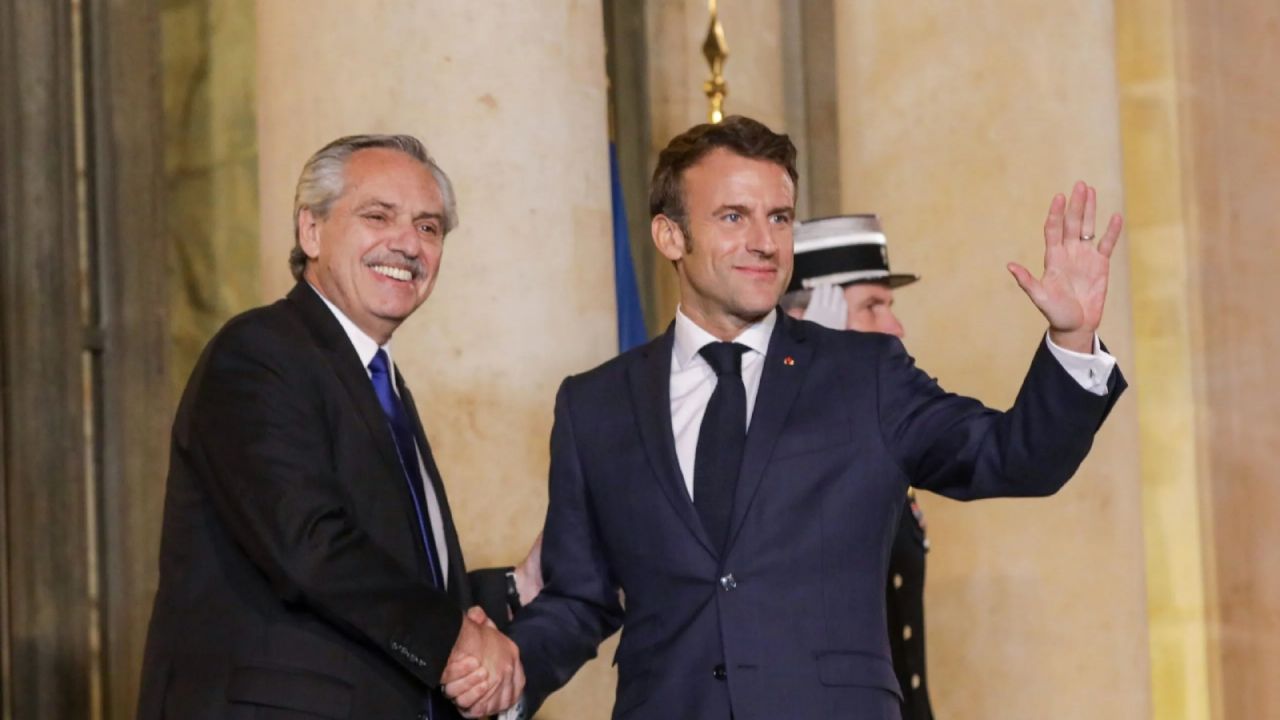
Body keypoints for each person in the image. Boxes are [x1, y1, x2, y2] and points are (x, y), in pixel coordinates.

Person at [463, 115, 1125, 720]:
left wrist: (1071, 339)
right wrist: (512, 670)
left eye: (779, 217)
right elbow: (581, 596)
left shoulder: (864, 374)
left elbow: (1014, 456)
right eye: (732, 217)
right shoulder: (595, 404)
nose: (763, 242)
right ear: (670, 234)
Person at [136, 134, 533, 719]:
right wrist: (454, 641)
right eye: (378, 215)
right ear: (311, 231)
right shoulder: (258, 353)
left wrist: (518, 588)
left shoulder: (382, 384)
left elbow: (387, 571)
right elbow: (310, 546)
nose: (407, 243)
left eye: (429, 228)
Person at [780, 214, 934, 719]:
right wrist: (806, 380)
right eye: (872, 306)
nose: (895, 326)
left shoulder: (877, 435)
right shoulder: (766, 443)